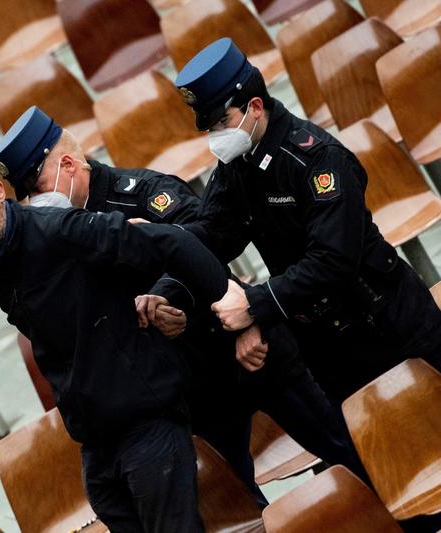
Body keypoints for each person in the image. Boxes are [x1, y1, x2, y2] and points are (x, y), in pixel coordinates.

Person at [0, 106, 368, 506]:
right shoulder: (54, 244)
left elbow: (204, 245)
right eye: (25, 195)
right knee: (238, 508)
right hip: (192, 390)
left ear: (67, 164)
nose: (33, 202)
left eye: (36, 185)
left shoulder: (141, 194)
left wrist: (170, 295)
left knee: (345, 452)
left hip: (248, 349)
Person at [0, 159, 220, 532]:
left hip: (145, 415)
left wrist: (217, 292)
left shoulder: (60, 229)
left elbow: (170, 240)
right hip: (96, 438)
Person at [174, 37, 441, 404]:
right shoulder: (239, 162)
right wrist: (162, 250)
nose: (218, 137)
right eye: (212, 129)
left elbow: (333, 260)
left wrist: (254, 304)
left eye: (223, 122)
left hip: (385, 325)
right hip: (326, 344)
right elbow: (216, 232)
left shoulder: (318, 159)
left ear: (254, 107)